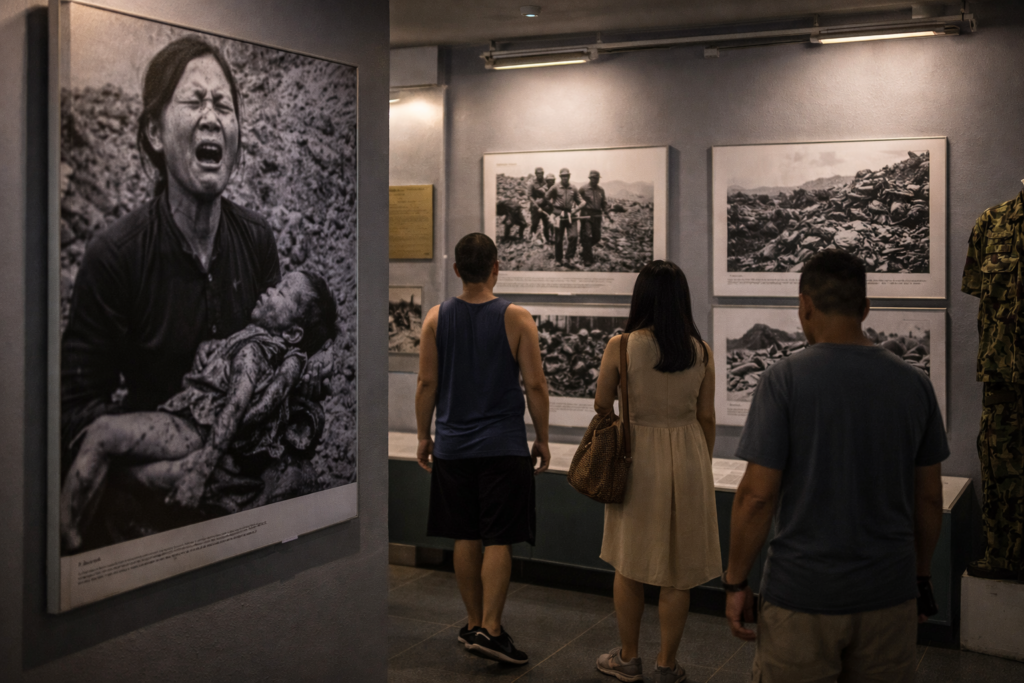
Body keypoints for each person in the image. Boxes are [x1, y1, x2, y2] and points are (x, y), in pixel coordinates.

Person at [723, 250, 948, 682]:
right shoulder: (915, 384)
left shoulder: (783, 381)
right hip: (890, 594)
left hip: (802, 597)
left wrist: (736, 582)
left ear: (804, 306)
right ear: (865, 308)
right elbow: (929, 496)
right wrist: (920, 577)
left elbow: (756, 496)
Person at [61, 36, 282, 468]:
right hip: (154, 504)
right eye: (194, 101)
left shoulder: (256, 240)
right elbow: (73, 413)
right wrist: (154, 466)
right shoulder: (115, 256)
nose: (211, 118)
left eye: (223, 105)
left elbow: (273, 365)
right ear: (154, 132)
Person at [60, 271, 338, 552]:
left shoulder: (253, 353)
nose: (270, 290)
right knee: (117, 471)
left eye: (282, 291)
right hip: (192, 427)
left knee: (102, 433)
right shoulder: (255, 346)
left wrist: (201, 471)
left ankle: (66, 546)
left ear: (292, 333)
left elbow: (234, 410)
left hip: (193, 429)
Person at [415, 233, 551, 666]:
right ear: (497, 267)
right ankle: (491, 629)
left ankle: (473, 622)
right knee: (499, 539)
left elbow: (426, 384)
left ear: (456, 269)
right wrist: (543, 437)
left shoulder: (436, 318)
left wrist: (424, 434)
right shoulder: (517, 318)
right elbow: (535, 384)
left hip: (454, 447)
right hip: (502, 446)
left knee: (466, 534)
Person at [593, 260, 720, 683]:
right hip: (688, 455)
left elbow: (601, 404)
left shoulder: (622, 344)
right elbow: (707, 418)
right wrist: (701, 460)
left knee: (630, 563)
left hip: (637, 457)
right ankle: (668, 664)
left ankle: (629, 659)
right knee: (678, 570)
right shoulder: (700, 351)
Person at [961, 184, 1024, 581]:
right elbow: (975, 286)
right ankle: (1003, 556)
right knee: (1000, 465)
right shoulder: (992, 222)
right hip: (1003, 374)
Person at [545, 168, 584, 266]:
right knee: (558, 239)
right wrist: (554, 211)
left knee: (574, 236)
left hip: (571, 215)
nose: (565, 178)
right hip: (559, 216)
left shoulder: (573, 188)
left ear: (569, 176)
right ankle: (558, 259)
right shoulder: (555, 187)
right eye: (563, 176)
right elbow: (546, 198)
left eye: (566, 176)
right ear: (560, 177)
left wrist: (575, 210)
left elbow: (582, 202)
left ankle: (568, 258)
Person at [578, 170, 610, 267]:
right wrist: (576, 210)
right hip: (586, 214)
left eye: (596, 178)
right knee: (587, 236)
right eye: (593, 178)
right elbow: (577, 199)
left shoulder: (601, 190)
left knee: (597, 237)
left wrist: (607, 212)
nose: (595, 180)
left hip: (597, 215)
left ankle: (585, 249)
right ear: (590, 178)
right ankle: (587, 259)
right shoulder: (583, 189)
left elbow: (604, 203)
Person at [526, 166, 552, 242]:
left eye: (541, 173)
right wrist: (536, 206)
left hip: (545, 205)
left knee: (546, 223)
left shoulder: (546, 182)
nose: (540, 175)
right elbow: (530, 196)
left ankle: (547, 239)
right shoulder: (532, 183)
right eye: (538, 173)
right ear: (536, 174)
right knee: (535, 223)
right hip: (535, 206)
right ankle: (531, 236)